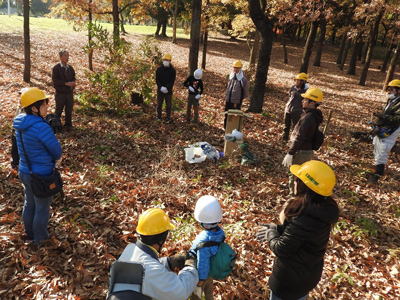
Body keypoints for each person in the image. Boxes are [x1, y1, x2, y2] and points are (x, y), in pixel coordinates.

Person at [256, 160, 339, 300]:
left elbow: (282, 249)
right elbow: (302, 238)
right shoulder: (323, 211)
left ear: (304, 186)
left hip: (289, 282)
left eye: (297, 180)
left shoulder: (304, 216)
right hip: (307, 276)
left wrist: (271, 233)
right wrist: (278, 229)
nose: (294, 182)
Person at [107, 208, 199, 300]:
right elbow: (180, 292)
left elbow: (143, 267)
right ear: (161, 239)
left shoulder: (130, 249)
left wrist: (168, 262)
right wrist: (190, 267)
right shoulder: (152, 271)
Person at [13, 87, 62, 245]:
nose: (47, 107)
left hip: (25, 171)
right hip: (41, 175)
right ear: (34, 108)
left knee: (30, 202)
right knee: (42, 207)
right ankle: (40, 239)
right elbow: (56, 150)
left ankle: (29, 233)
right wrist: (58, 159)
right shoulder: (41, 127)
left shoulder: (20, 123)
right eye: (44, 104)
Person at [282, 87, 324, 195]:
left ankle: (293, 198)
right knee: (301, 176)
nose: (302, 101)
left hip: (301, 152)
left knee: (295, 175)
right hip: (306, 151)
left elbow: (300, 137)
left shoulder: (308, 118)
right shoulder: (313, 116)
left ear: (312, 103)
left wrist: (291, 153)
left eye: (305, 100)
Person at [187, 195, 225, 300]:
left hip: (201, 276)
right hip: (211, 272)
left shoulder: (203, 243)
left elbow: (203, 265)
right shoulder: (220, 233)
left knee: (196, 297)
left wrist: (199, 285)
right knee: (209, 294)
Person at [369, 79, 400, 183]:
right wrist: (377, 124)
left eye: (392, 89)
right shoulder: (391, 101)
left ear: (398, 90)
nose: (389, 91)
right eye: (389, 89)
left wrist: (384, 116)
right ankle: (376, 170)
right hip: (385, 128)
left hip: (392, 130)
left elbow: (397, 119)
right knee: (377, 148)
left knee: (383, 150)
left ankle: (376, 176)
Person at [52, 50, 76, 131]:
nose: (67, 57)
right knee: (59, 109)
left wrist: (73, 83)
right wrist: (66, 83)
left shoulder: (70, 68)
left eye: (68, 56)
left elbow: (73, 77)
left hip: (69, 92)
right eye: (65, 55)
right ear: (60, 57)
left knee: (69, 109)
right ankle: (56, 126)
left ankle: (68, 125)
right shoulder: (56, 68)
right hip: (60, 93)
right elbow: (55, 81)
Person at [282, 73, 309, 141]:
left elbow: (306, 102)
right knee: (286, 126)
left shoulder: (306, 91)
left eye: (298, 80)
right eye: (296, 80)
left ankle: (292, 141)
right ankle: (284, 139)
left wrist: (304, 111)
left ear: (302, 81)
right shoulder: (293, 87)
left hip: (297, 112)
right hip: (288, 110)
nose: (296, 82)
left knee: (295, 128)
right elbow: (289, 96)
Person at [224, 60, 249, 129]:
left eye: (237, 68)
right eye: (235, 68)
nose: (236, 69)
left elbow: (245, 92)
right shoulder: (231, 77)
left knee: (234, 117)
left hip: (236, 102)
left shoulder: (243, 79)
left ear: (240, 69)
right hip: (228, 100)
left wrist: (237, 101)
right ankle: (226, 129)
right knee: (227, 115)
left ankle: (233, 129)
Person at [156, 53, 176, 122]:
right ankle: (159, 116)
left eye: (167, 60)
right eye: (165, 60)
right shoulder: (159, 70)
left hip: (168, 91)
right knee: (159, 104)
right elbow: (157, 79)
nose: (166, 61)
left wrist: (167, 88)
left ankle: (167, 117)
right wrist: (161, 87)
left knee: (168, 105)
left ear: (170, 61)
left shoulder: (173, 71)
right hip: (160, 90)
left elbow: (172, 81)